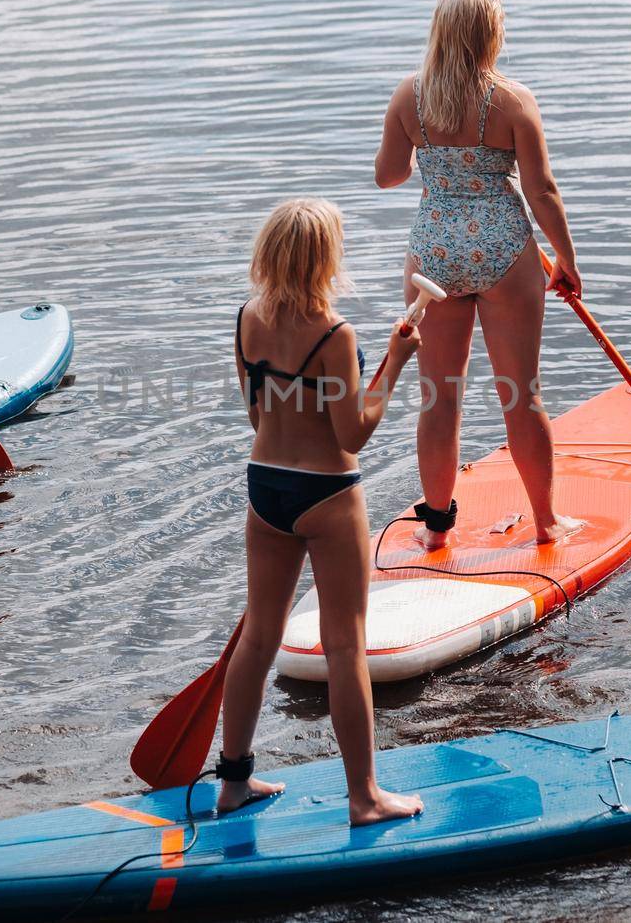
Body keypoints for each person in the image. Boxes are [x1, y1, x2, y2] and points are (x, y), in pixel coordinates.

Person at [216, 198, 425, 827]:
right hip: (328, 495)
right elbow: (353, 434)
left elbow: (259, 415)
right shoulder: (337, 336)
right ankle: (364, 798)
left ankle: (233, 783)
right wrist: (394, 363)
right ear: (325, 260)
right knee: (344, 647)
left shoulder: (246, 320)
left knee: (259, 636)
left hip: (265, 488)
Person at [374, 0, 584, 549]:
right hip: (504, 252)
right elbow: (542, 191)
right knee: (522, 392)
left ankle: (437, 531)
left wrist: (423, 154)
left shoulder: (410, 97)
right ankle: (545, 522)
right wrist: (565, 259)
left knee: (439, 397)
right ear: (492, 37)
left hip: (434, 256)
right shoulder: (512, 101)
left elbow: (387, 176)